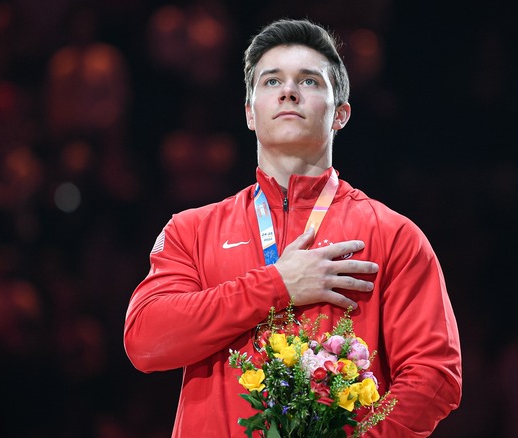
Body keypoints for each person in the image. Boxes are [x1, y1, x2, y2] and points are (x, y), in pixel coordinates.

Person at [124, 18, 462, 437]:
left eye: (309, 81)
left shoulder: (393, 235)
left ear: (340, 114)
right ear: (250, 113)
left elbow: (434, 375)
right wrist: (277, 284)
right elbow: (145, 339)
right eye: (270, 82)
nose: (288, 91)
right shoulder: (191, 230)